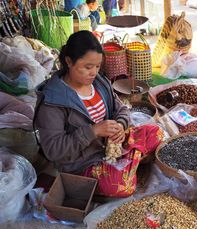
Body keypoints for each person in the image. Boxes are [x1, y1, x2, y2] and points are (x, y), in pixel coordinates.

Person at [34, 31, 163, 197]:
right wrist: (93, 131)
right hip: (83, 162)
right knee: (120, 186)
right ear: (69, 61)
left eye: (97, 66)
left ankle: (125, 164)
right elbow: (54, 150)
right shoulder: (52, 100)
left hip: (111, 146)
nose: (93, 72)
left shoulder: (100, 83)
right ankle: (129, 164)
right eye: (88, 67)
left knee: (157, 132)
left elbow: (121, 108)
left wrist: (121, 127)